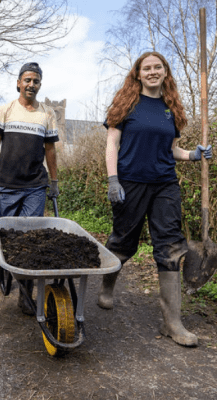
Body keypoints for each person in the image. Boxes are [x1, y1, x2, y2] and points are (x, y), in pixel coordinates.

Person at [100, 51, 212, 347]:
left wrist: (192, 155)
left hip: (165, 184)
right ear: (138, 73)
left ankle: (172, 323)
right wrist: (113, 179)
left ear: (165, 72)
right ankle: (107, 284)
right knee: (124, 240)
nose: (152, 71)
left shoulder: (171, 108)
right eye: (146, 68)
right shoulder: (127, 104)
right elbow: (112, 142)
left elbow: (172, 149)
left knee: (170, 246)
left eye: (157, 67)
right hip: (130, 183)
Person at [0, 62, 60, 315]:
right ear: (18, 83)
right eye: (27, 80)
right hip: (5, 185)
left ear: (40, 85)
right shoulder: (5, 110)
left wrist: (54, 182)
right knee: (8, 238)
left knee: (32, 240)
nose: (31, 85)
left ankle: (26, 297)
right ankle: (6, 268)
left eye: (36, 81)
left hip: (35, 185)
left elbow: (51, 150)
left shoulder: (47, 114)